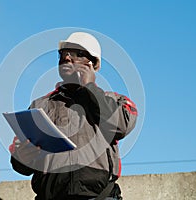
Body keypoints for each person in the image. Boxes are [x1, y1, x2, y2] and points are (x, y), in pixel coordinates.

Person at [9, 32, 137, 200]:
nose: (67, 58)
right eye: (63, 55)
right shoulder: (40, 106)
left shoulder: (116, 101)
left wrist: (89, 87)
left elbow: (121, 125)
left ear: (92, 63)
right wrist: (22, 157)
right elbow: (22, 163)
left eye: (77, 54)